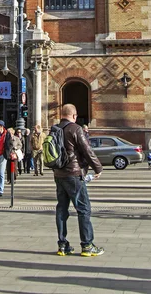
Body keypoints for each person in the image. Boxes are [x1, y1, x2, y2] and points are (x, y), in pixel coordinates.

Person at [53, 103, 104, 257]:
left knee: (62, 209)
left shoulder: (55, 129)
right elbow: (87, 150)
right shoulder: (75, 129)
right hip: (74, 174)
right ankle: (87, 245)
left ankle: (63, 245)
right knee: (84, 209)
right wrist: (98, 168)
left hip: (59, 174)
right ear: (74, 116)